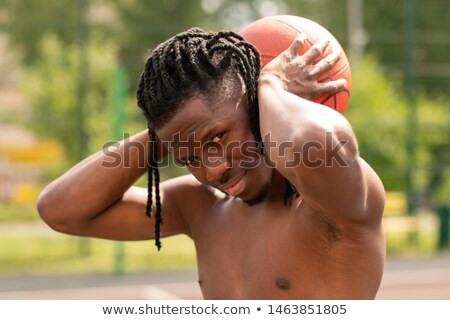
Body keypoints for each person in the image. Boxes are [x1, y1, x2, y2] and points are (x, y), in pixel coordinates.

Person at [37, 27, 385, 299]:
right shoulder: (202, 209)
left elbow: (315, 144)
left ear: (257, 109)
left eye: (218, 138)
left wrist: (268, 83)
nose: (213, 170)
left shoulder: (332, 203)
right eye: (189, 157)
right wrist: (165, 134)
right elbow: (60, 209)